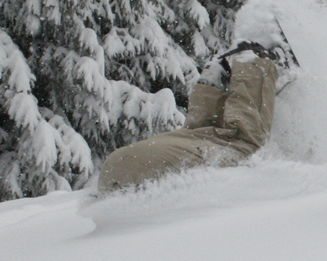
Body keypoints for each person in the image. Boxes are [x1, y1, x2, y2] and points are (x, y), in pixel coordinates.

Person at [96, 41, 290, 192]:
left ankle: (225, 75)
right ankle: (248, 66)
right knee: (244, 146)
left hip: (116, 171)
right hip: (129, 165)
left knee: (200, 134)